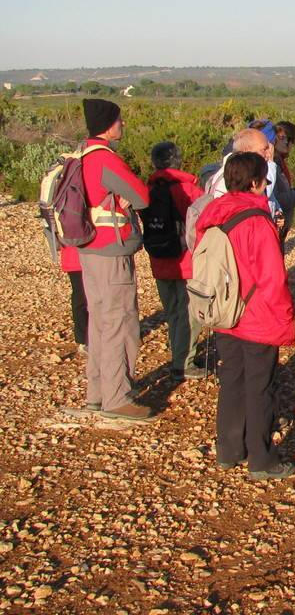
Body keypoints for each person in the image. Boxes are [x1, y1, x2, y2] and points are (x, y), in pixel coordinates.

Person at [195, 152, 295, 480]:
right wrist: (284, 320)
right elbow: (272, 279)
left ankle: (229, 450)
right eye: (265, 180)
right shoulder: (256, 220)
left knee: (232, 380)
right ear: (255, 182)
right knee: (260, 387)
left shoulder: (212, 213)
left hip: (224, 312)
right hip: (256, 316)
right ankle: (261, 459)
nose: (266, 185)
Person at [78, 98, 151, 419]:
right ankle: (117, 397)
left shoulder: (80, 155)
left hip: (88, 248)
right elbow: (142, 196)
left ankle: (97, 393)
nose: (123, 125)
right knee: (120, 321)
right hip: (111, 249)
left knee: (99, 321)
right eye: (119, 120)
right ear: (109, 125)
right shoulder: (104, 159)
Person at [145, 141, 204, 380]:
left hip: (158, 258)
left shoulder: (147, 188)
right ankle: (183, 363)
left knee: (172, 312)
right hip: (185, 260)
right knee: (189, 313)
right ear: (178, 160)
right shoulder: (189, 190)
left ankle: (179, 356)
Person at [273, 121, 295, 245]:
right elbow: (278, 198)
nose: (287, 142)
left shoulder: (279, 161)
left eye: (291, 140)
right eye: (282, 138)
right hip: (277, 226)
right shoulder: (273, 165)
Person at [62, 246, 89, 358]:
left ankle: (88, 338)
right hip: (76, 257)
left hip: (93, 256)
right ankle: (83, 339)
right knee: (81, 297)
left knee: (83, 298)